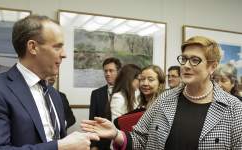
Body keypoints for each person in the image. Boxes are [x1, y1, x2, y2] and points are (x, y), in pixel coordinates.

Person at [81, 36, 242, 149]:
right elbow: (140, 139)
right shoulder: (165, 98)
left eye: (195, 60)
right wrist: (116, 134)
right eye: (184, 59)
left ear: (212, 66)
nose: (186, 65)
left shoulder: (234, 108)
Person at [0, 15, 98, 150]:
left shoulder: (53, 94)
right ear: (33, 47)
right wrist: (60, 147)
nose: (64, 54)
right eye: (57, 47)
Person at [89, 57, 121, 150]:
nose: (107, 74)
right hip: (102, 144)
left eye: (111, 71)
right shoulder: (96, 93)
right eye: (105, 71)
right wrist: (93, 145)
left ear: (118, 72)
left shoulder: (126, 92)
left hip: (121, 142)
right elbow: (92, 121)